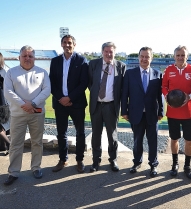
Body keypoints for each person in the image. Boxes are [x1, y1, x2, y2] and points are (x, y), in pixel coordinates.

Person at [3, 45, 51, 185]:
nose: (27, 58)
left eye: (30, 56)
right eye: (25, 56)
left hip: (37, 113)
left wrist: (33, 103)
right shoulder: (11, 72)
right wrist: (24, 104)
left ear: (34, 58)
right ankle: (14, 172)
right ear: (19, 57)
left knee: (37, 142)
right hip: (18, 114)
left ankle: (36, 167)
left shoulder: (42, 72)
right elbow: (8, 92)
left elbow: (47, 90)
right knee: (16, 144)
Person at [121, 47, 163, 177]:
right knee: (137, 140)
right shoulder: (130, 74)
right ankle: (137, 162)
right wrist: (124, 111)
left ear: (151, 58)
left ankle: (153, 164)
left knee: (153, 141)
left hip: (152, 113)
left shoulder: (157, 74)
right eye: (142, 56)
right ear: (139, 57)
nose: (144, 59)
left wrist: (161, 111)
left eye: (147, 57)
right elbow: (124, 94)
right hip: (135, 113)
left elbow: (159, 95)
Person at [50, 35, 89, 173]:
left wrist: (70, 97)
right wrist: (61, 98)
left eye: (70, 43)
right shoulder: (55, 61)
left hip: (76, 103)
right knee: (61, 133)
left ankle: (79, 160)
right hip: (60, 103)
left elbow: (84, 82)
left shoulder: (82, 60)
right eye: (65, 42)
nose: (67, 45)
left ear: (74, 45)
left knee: (80, 133)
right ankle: (63, 159)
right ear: (61, 44)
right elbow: (52, 82)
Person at [162, 45, 191, 179]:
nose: (180, 57)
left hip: (188, 112)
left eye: (182, 55)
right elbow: (164, 86)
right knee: (174, 139)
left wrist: (189, 97)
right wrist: (166, 95)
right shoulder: (168, 70)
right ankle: (175, 164)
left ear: (187, 57)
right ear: (174, 57)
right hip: (173, 112)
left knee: (188, 140)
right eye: (178, 55)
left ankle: (187, 166)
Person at [88, 42, 126, 172]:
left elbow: (123, 89)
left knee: (112, 136)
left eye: (111, 52)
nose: (109, 54)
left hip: (111, 106)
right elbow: (89, 83)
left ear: (115, 53)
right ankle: (95, 161)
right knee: (96, 135)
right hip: (96, 106)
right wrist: (97, 95)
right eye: (106, 51)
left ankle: (113, 160)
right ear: (102, 52)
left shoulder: (121, 66)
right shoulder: (93, 64)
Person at [0, 53, 10, 155]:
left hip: (1, 103)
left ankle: (10, 145)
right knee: (2, 127)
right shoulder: (5, 72)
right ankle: (3, 147)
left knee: (0, 128)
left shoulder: (3, 73)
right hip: (5, 104)